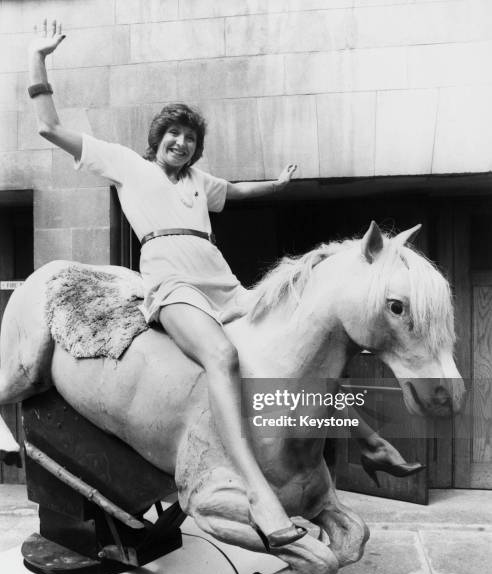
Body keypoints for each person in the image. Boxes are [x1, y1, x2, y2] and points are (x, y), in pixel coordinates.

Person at [27, 20, 422, 543]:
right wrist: (39, 59)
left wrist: (277, 185)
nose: (182, 144)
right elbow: (50, 128)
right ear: (157, 139)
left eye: (191, 139)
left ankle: (367, 440)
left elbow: (235, 191)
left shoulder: (197, 182)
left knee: (292, 348)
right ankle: (256, 488)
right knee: (224, 358)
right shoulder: (128, 166)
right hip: (172, 286)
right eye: (174, 135)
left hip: (222, 282)